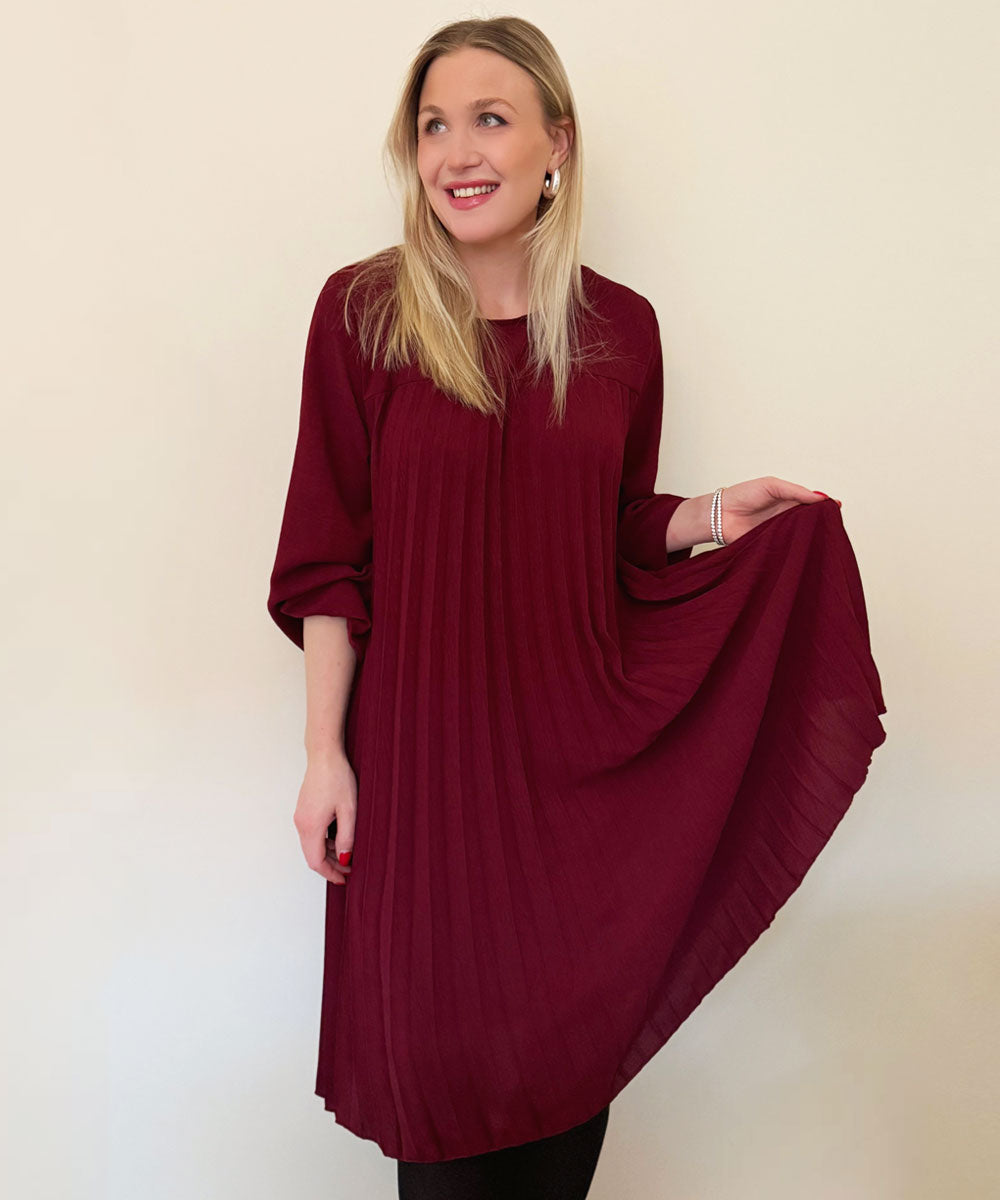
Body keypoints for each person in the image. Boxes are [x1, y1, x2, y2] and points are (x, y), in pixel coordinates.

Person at [267, 16, 887, 1198]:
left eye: (489, 119)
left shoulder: (621, 329)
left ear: (556, 145)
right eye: (432, 125)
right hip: (424, 779)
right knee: (444, 1126)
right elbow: (325, 559)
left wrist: (716, 514)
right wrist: (323, 756)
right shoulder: (363, 313)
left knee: (558, 1119)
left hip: (573, 780)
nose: (456, 151)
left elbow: (604, 532)